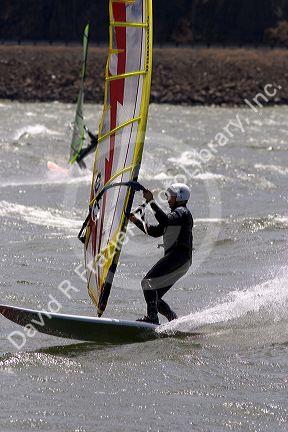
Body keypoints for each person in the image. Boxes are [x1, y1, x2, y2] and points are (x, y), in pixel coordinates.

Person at [129, 183, 193, 324]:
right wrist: (136, 221)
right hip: (183, 262)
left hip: (178, 257)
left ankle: (152, 318)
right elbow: (155, 232)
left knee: (147, 282)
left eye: (170, 196)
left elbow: (165, 220)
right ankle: (173, 320)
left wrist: (151, 201)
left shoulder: (182, 212)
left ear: (179, 197)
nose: (168, 199)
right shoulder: (176, 216)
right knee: (154, 295)